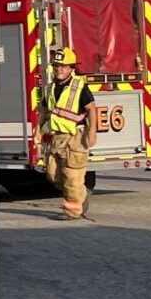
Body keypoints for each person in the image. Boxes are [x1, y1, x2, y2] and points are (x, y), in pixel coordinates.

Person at [40, 46, 96, 220]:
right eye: (56, 66)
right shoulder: (49, 89)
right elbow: (43, 111)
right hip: (56, 138)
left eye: (63, 66)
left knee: (72, 176)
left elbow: (92, 109)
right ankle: (81, 196)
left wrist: (92, 132)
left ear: (71, 68)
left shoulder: (80, 87)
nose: (59, 69)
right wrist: (37, 132)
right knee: (52, 174)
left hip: (75, 138)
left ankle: (73, 210)